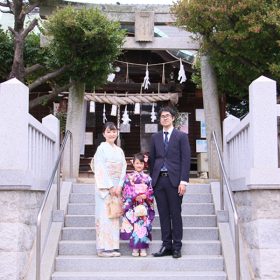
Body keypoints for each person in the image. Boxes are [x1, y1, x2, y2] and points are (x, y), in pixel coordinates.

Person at [149, 106, 191, 259]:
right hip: (159, 181)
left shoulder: (181, 136)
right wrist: (152, 181)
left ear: (173, 118)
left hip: (175, 181)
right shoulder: (155, 137)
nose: (164, 118)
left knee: (175, 214)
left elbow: (185, 160)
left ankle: (177, 246)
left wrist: (183, 181)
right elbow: (152, 160)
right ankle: (166, 245)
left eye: (167, 116)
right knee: (164, 215)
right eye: (162, 116)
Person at [92, 122, 127, 257]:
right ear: (104, 134)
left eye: (114, 131)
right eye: (109, 131)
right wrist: (110, 186)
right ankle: (102, 248)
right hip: (105, 188)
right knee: (104, 216)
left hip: (117, 186)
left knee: (114, 216)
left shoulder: (119, 150)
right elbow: (99, 168)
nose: (112, 134)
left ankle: (112, 247)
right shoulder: (101, 149)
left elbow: (123, 168)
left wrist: (119, 186)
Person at [120, 153, 155, 257]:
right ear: (133, 164)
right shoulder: (129, 177)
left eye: (141, 163)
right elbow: (126, 191)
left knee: (143, 226)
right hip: (133, 205)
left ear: (144, 164)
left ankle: (143, 248)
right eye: (137, 163)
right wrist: (135, 196)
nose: (139, 165)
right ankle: (135, 248)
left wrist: (146, 195)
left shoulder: (148, 178)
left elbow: (151, 191)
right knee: (135, 226)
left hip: (144, 205)